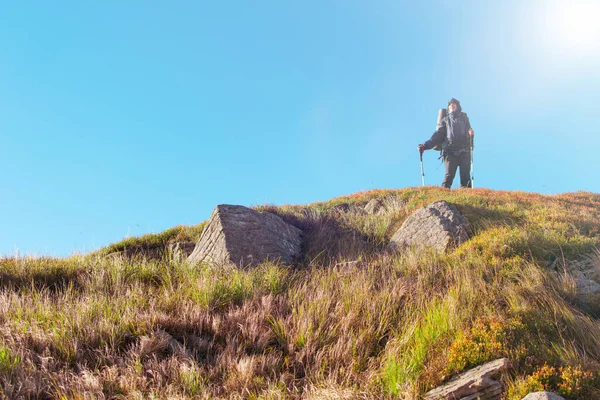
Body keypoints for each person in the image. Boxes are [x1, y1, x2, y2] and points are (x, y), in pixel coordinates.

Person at [418, 98, 474, 188]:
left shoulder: (464, 118)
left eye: (454, 104)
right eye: (450, 104)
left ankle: (467, 196)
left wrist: (470, 134)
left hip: (464, 150)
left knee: (465, 175)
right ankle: (444, 194)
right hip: (449, 150)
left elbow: (469, 132)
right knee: (449, 174)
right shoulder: (445, 120)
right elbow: (437, 135)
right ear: (448, 108)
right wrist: (425, 146)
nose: (452, 105)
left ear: (458, 106)